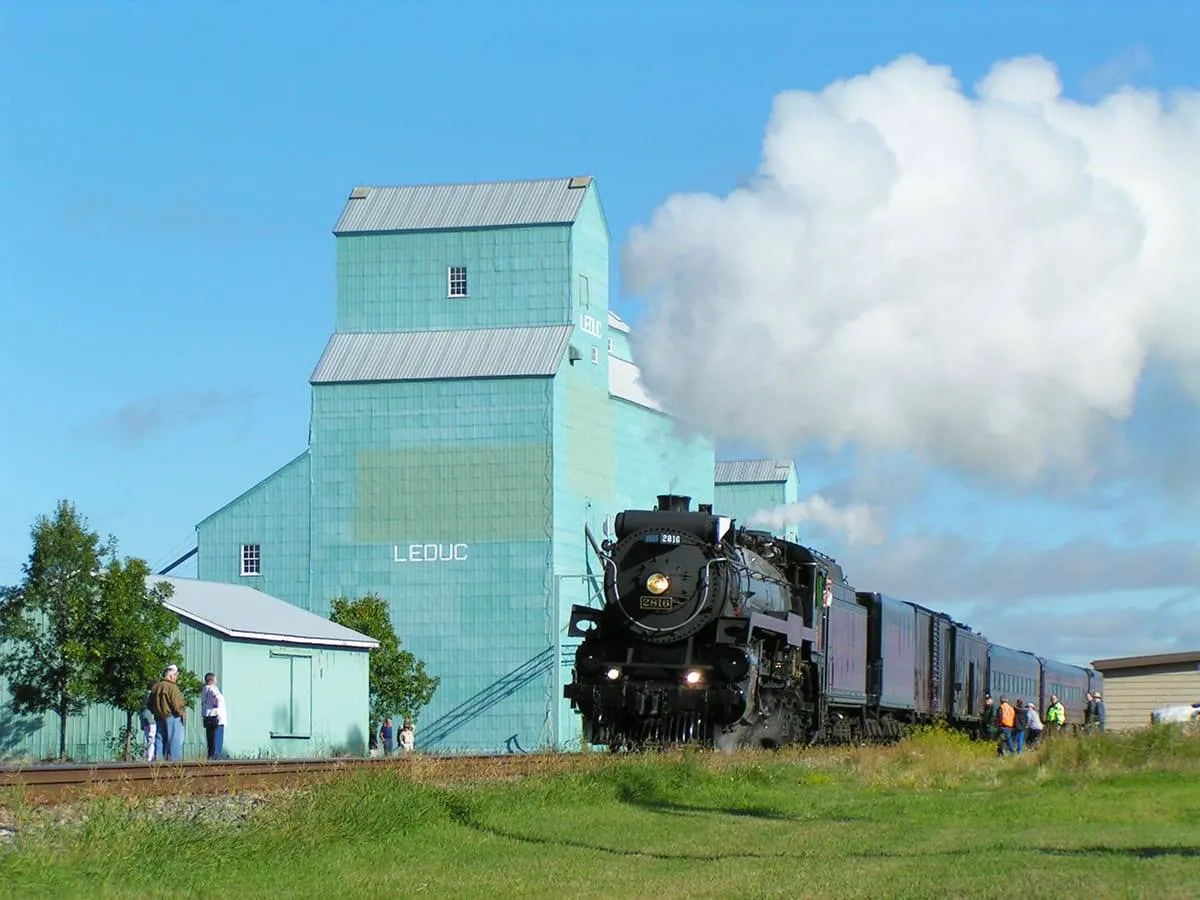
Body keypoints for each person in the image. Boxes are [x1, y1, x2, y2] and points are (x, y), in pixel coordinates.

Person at [149, 664, 187, 761]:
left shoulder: (155, 687)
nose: (176, 678)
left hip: (158, 717)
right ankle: (175, 764)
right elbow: (177, 705)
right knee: (174, 740)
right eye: (176, 676)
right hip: (172, 717)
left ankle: (158, 762)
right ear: (171, 675)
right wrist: (181, 713)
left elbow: (149, 705)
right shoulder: (172, 687)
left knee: (159, 739)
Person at [201, 672, 228, 760]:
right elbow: (217, 698)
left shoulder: (204, 689)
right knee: (217, 740)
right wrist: (216, 704)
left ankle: (211, 756)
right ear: (212, 680)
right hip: (217, 718)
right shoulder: (213, 689)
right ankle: (216, 757)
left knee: (210, 740)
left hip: (208, 717)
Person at [139, 682, 156, 762]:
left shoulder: (144, 695)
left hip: (144, 717)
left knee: (148, 738)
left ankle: (149, 756)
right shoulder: (151, 695)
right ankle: (150, 758)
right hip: (150, 719)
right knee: (152, 738)